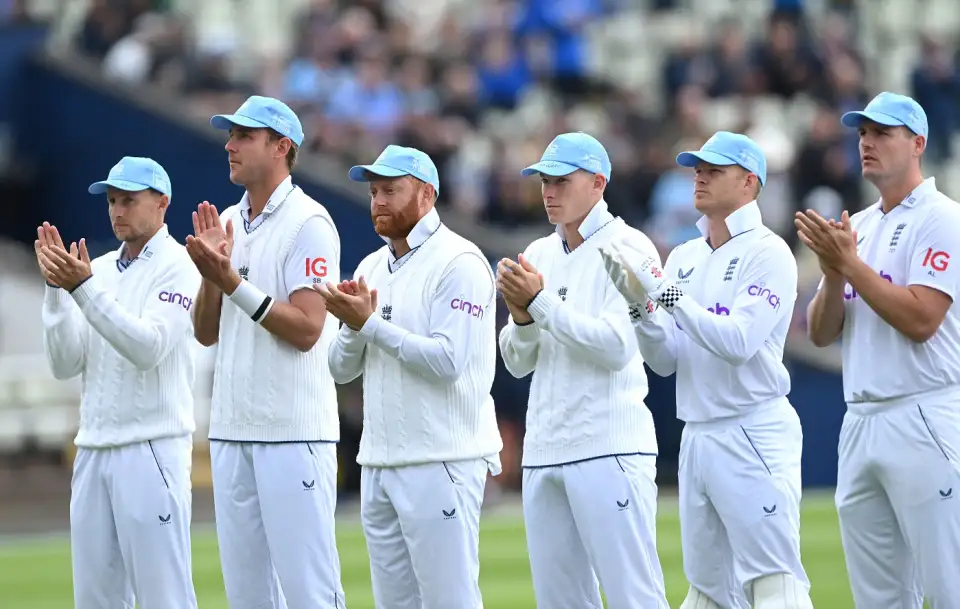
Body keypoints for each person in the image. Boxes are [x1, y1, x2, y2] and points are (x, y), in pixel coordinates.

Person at [601, 132, 813, 609]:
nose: (699, 175)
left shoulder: (768, 251)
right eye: (697, 167)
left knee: (774, 582)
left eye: (714, 169)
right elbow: (666, 360)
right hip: (697, 433)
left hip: (752, 430)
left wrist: (665, 294)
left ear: (748, 182)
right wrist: (639, 307)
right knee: (708, 592)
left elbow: (737, 342)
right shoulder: (684, 255)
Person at [321, 145, 502, 609]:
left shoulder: (459, 261)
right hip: (380, 461)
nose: (378, 201)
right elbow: (340, 368)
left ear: (426, 194)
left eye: (391, 190)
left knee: (450, 601)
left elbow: (446, 363)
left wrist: (368, 324)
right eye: (374, 191)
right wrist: (352, 327)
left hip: (443, 457)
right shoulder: (370, 267)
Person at [798, 92, 960, 609]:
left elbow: (921, 319)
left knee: (948, 584)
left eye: (882, 133)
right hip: (862, 419)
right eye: (863, 133)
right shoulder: (860, 226)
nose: (867, 143)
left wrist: (850, 266)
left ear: (918, 143)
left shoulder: (943, 218)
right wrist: (830, 274)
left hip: (925, 412)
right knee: (879, 598)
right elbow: (822, 333)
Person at [497, 132, 669, 609]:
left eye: (561, 181)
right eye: (544, 182)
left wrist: (539, 302)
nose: (549, 192)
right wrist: (522, 317)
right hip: (545, 449)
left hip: (609, 447)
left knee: (635, 597)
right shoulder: (539, 252)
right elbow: (515, 360)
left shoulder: (631, 246)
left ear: (598, 183)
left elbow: (615, 348)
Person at [187, 95, 346, 608]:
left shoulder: (310, 223)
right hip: (233, 431)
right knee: (249, 596)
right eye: (231, 136)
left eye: (244, 137)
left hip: (293, 433)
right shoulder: (230, 219)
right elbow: (206, 332)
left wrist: (230, 280)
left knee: (309, 593)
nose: (230, 146)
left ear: (282, 147)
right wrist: (214, 277)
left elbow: (306, 328)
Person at [38, 156, 200, 609]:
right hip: (93, 448)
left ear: (162, 202)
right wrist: (56, 291)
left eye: (128, 200)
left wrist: (83, 290)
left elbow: (149, 347)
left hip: (151, 447)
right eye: (112, 201)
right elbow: (65, 363)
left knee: (163, 595)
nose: (117, 211)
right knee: (94, 599)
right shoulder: (101, 268)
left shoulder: (180, 265)